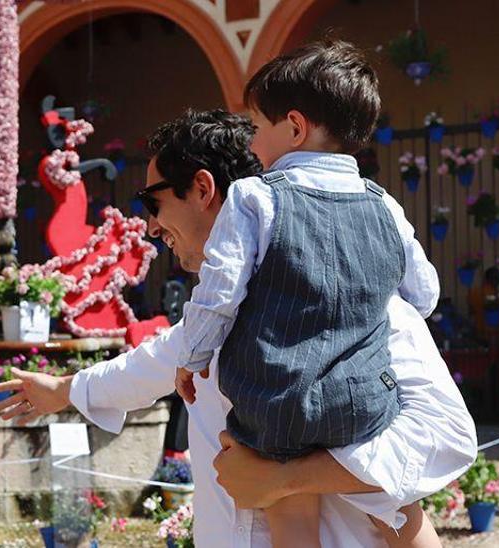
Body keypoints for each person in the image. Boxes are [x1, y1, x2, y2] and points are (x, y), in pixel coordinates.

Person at [0, 109, 475, 547]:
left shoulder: (356, 301)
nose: (151, 228)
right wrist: (63, 389)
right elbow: (148, 366)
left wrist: (287, 479)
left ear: (202, 189)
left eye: (151, 202)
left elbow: (443, 435)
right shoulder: (206, 322)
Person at [135, 40, 444, 546]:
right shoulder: (382, 203)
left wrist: (192, 356)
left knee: (290, 515)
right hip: (362, 397)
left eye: (256, 127)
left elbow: (220, 289)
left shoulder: (255, 197)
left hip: (276, 396)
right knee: (399, 509)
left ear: (295, 127)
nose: (251, 144)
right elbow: (423, 293)